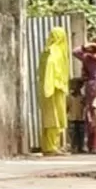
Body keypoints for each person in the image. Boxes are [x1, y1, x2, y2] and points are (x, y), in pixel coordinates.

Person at [38, 28, 70, 156]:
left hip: (49, 89)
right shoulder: (54, 53)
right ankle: (51, 147)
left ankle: (50, 145)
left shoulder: (47, 52)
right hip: (53, 90)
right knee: (54, 118)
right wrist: (50, 87)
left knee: (52, 117)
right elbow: (49, 71)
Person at [67, 78, 87, 154]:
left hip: (81, 118)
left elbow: (85, 106)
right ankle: (73, 147)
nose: (76, 88)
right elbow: (67, 107)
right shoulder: (69, 97)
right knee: (73, 133)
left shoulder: (82, 97)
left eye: (78, 86)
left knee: (81, 133)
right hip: (72, 118)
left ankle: (80, 147)